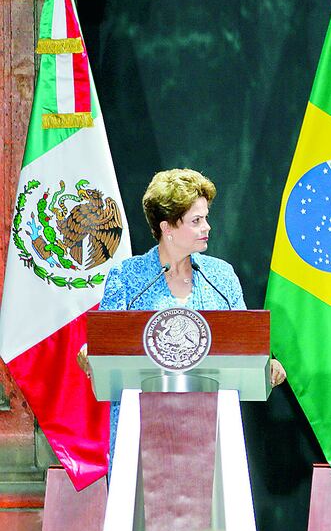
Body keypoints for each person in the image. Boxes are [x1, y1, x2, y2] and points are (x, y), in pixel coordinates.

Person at [96, 169, 285, 453]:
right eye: (196, 221)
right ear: (167, 227)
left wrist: (266, 364)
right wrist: (91, 352)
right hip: (141, 431)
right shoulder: (127, 277)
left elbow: (247, 343)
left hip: (212, 430)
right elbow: (104, 347)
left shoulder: (221, 276)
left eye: (205, 218)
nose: (207, 227)